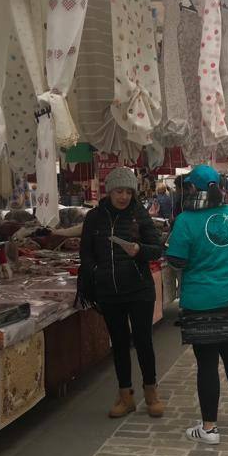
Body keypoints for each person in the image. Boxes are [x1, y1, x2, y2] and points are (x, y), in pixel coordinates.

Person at [166, 165, 228, 445]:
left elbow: (177, 260)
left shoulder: (185, 221)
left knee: (206, 363)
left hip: (201, 301)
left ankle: (209, 428)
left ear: (191, 189)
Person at [79, 168, 166, 419]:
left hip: (139, 289)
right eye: (119, 191)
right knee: (118, 344)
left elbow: (157, 249)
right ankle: (125, 395)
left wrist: (139, 250)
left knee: (143, 342)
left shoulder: (140, 216)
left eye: (128, 192)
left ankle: (151, 393)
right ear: (110, 191)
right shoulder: (95, 217)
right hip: (109, 290)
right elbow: (86, 252)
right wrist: (94, 273)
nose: (124, 197)